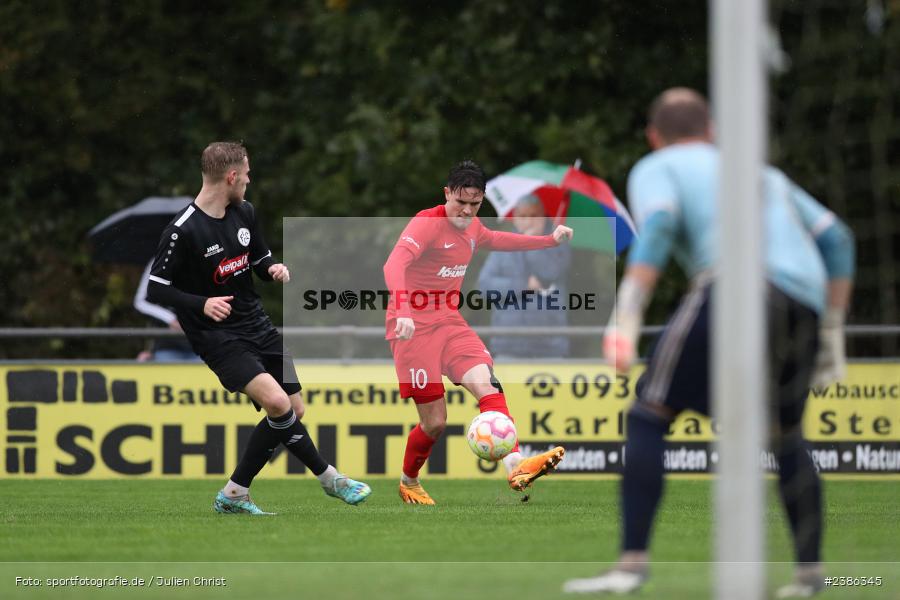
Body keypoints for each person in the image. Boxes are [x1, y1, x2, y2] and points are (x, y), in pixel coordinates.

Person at [563, 88, 854, 596]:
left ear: (654, 136)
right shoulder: (762, 174)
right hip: (805, 302)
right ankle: (810, 574)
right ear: (712, 130)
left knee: (649, 414)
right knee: (786, 436)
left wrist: (627, 313)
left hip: (735, 283)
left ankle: (630, 567)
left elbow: (660, 225)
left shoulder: (657, 166)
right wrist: (830, 331)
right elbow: (838, 240)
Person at [147, 141, 371, 514]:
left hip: (260, 326)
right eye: (247, 175)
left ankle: (234, 493)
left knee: (294, 410)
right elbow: (156, 288)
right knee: (278, 403)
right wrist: (201, 303)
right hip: (218, 337)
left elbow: (259, 258)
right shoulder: (181, 231)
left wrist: (272, 269)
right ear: (231, 176)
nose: (249, 181)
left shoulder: (245, 212)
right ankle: (331, 478)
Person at [383, 160, 574, 505]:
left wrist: (549, 240)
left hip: (450, 324)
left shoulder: (473, 227)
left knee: (488, 384)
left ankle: (515, 465)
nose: (467, 211)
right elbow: (394, 264)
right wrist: (404, 311)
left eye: (475, 204)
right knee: (435, 423)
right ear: (447, 194)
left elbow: (501, 239)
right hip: (412, 330)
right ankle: (409, 481)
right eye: (461, 202)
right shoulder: (427, 223)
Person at [477, 195, 571, 359]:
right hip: (508, 345)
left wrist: (533, 241)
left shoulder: (559, 243)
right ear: (515, 218)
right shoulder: (501, 245)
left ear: (543, 217)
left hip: (550, 346)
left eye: (534, 216)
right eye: (522, 216)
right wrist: (522, 285)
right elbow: (484, 287)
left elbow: (550, 271)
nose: (528, 221)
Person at [134, 259, 200, 362]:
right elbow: (141, 302)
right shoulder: (159, 260)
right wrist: (171, 319)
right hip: (167, 346)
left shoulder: (209, 257)